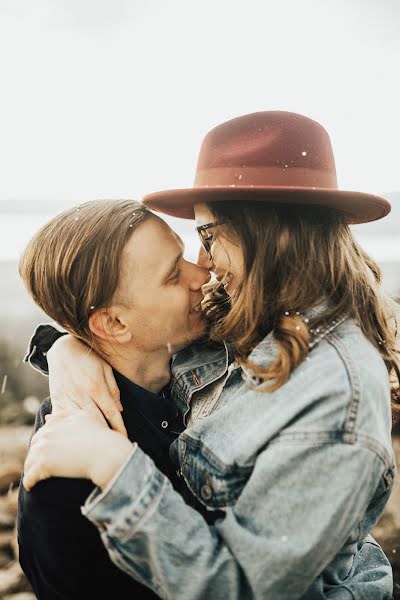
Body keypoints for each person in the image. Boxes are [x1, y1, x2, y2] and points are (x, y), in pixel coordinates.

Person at [22, 111, 399, 599]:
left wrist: (114, 465)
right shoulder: (245, 319)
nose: (202, 269)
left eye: (206, 238)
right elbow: (107, 320)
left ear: (265, 235)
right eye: (187, 252)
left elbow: (242, 586)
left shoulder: (331, 388)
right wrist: (68, 349)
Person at [17, 199, 211, 599]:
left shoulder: (202, 371)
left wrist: (61, 346)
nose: (201, 274)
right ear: (114, 323)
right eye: (174, 275)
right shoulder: (68, 463)